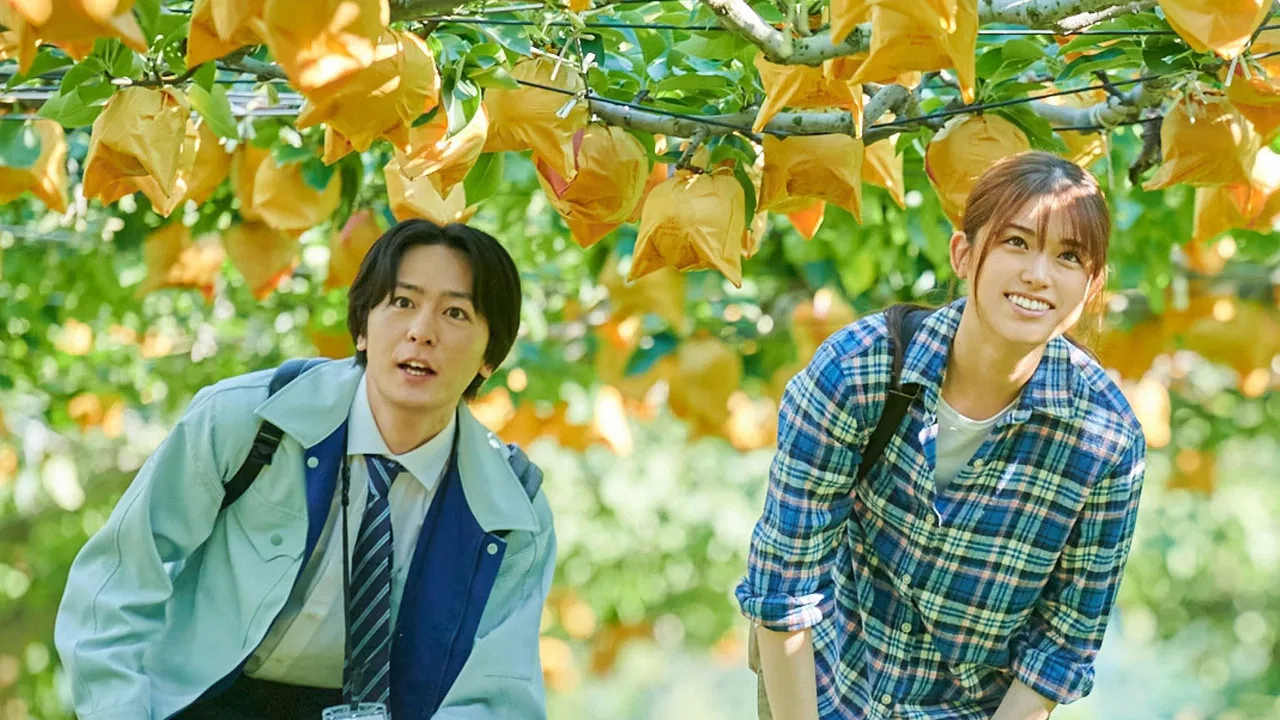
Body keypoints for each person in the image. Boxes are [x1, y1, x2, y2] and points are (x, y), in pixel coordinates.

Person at [54, 220, 556, 720]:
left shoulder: (512, 506)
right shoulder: (247, 419)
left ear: (490, 356)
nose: (421, 332)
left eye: (455, 312)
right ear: (362, 327)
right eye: (403, 302)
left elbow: (496, 695)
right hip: (203, 698)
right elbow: (118, 581)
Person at [737, 151, 1146, 720]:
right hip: (821, 684)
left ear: (1090, 285)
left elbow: (1060, 649)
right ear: (963, 254)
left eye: (1069, 256)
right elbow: (784, 587)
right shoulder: (858, 372)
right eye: (1016, 242)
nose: (1038, 274)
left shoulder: (1105, 441)